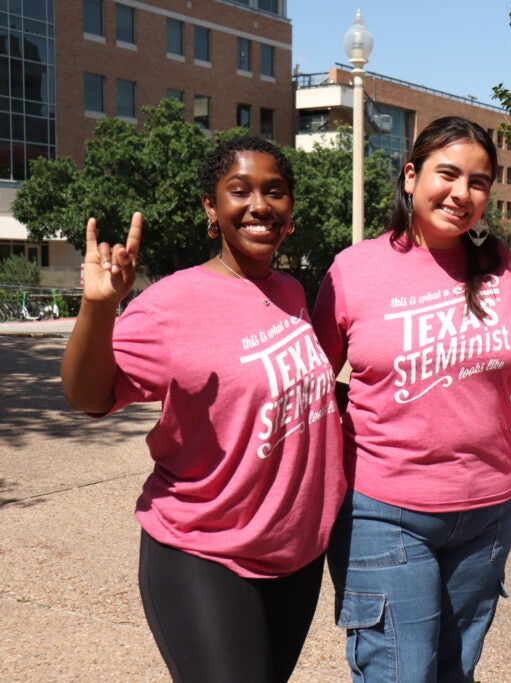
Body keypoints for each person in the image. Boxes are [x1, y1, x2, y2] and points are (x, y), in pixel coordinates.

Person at [61, 136, 346, 683]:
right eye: (239, 191)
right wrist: (99, 308)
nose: (259, 204)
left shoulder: (290, 292)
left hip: (294, 555)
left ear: (290, 209)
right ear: (211, 209)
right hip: (205, 551)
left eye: (275, 191)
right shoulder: (172, 304)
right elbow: (87, 396)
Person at [311, 116, 511, 682]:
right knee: (399, 672)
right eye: (448, 174)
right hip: (385, 509)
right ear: (411, 176)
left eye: (479, 181)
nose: (462, 194)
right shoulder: (354, 270)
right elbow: (310, 379)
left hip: (488, 509)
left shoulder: (500, 267)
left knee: (454, 671)